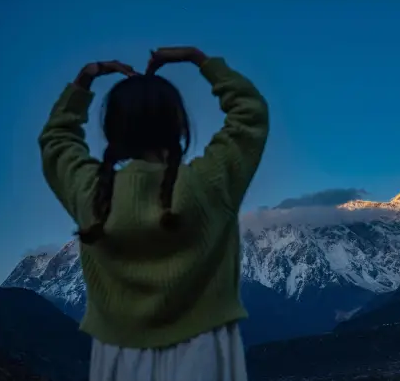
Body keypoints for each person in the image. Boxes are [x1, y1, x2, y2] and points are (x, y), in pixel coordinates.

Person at [38, 47, 269, 381]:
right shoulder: (209, 184)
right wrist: (197, 58)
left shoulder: (90, 194)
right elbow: (251, 114)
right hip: (205, 351)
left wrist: (86, 77)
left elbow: (56, 140)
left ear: (112, 130)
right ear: (178, 124)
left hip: (117, 357)